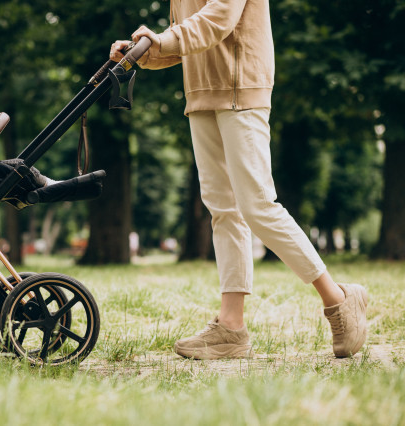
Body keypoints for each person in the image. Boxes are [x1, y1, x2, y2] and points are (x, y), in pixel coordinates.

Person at [110, 0, 368, 360]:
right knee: (223, 210)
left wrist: (163, 40)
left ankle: (339, 299)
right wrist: (144, 52)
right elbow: (187, 39)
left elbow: (219, 19)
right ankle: (231, 328)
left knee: (258, 205)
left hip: (241, 88)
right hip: (200, 95)